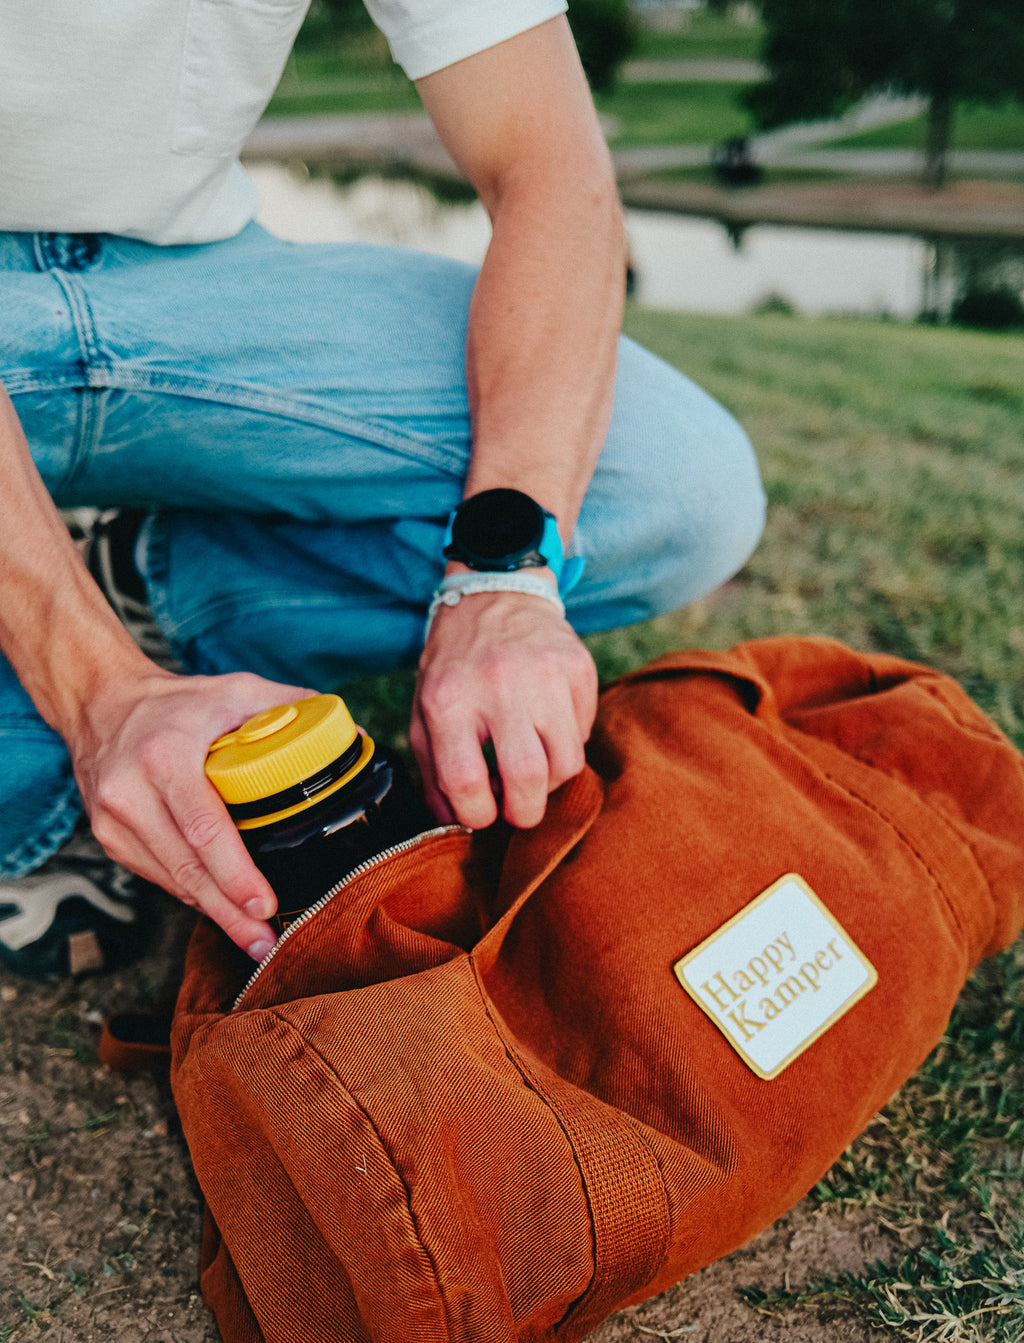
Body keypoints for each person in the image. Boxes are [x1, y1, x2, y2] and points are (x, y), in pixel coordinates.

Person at [0, 1, 766, 979]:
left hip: (184, 281)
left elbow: (549, 170)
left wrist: (502, 577)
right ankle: (61, 703)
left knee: (673, 481)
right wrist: (97, 695)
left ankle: (154, 585)